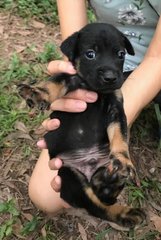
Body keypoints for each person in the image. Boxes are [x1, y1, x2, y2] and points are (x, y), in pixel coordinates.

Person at [28, 0, 161, 214]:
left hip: (156, 60)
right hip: (116, 64)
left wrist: (110, 119)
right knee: (47, 195)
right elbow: (76, 53)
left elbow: (158, 58)